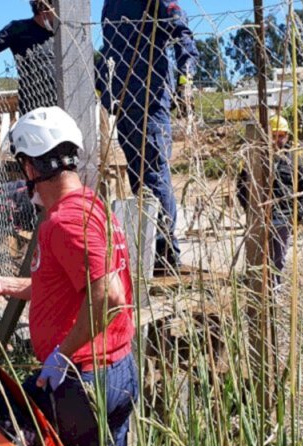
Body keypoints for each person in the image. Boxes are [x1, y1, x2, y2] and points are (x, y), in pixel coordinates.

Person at [0, 106, 138, 446]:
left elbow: (107, 296)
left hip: (85, 378)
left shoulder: (65, 221)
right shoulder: (91, 206)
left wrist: (62, 355)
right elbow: (71, 287)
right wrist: (6, 285)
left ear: (29, 168)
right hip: (115, 370)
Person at [98, 0, 199, 274]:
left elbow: (181, 32)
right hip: (124, 103)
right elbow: (109, 51)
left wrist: (185, 79)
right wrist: (104, 91)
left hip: (151, 100)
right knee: (138, 179)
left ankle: (166, 253)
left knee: (154, 175)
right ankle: (149, 247)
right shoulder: (110, 5)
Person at [237, 115, 303, 286]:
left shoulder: (293, 159)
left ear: (287, 136)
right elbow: (241, 188)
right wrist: (251, 211)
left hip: (283, 219)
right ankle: (258, 291)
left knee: (278, 260)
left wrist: (297, 215)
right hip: (259, 218)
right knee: (257, 259)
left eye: (281, 136)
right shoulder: (254, 157)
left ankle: (274, 293)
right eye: (273, 135)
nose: (277, 140)